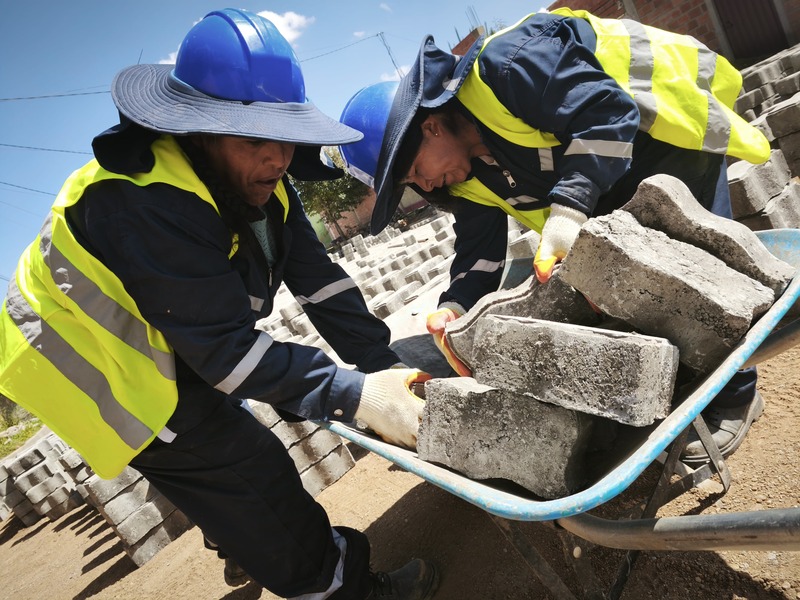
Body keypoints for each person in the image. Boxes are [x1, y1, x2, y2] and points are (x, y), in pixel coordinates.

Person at [0, 9, 439, 600]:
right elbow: (226, 353)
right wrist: (358, 395)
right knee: (247, 467)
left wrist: (383, 368)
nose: (277, 158)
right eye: (254, 139)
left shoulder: (265, 184)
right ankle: (340, 587)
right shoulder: (144, 203)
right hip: (90, 357)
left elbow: (321, 285)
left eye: (284, 136)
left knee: (232, 454)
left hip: (161, 332)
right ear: (197, 131)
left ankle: (238, 537)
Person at [338, 8, 771, 465]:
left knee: (697, 282)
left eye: (413, 172)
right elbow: (478, 248)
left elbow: (607, 114)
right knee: (639, 299)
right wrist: (456, 305)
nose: (424, 186)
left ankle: (737, 397)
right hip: (610, 180)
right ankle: (693, 393)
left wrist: (569, 210)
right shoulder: (462, 178)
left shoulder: (508, 65)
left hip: (664, 141)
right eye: (411, 185)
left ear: (429, 126)